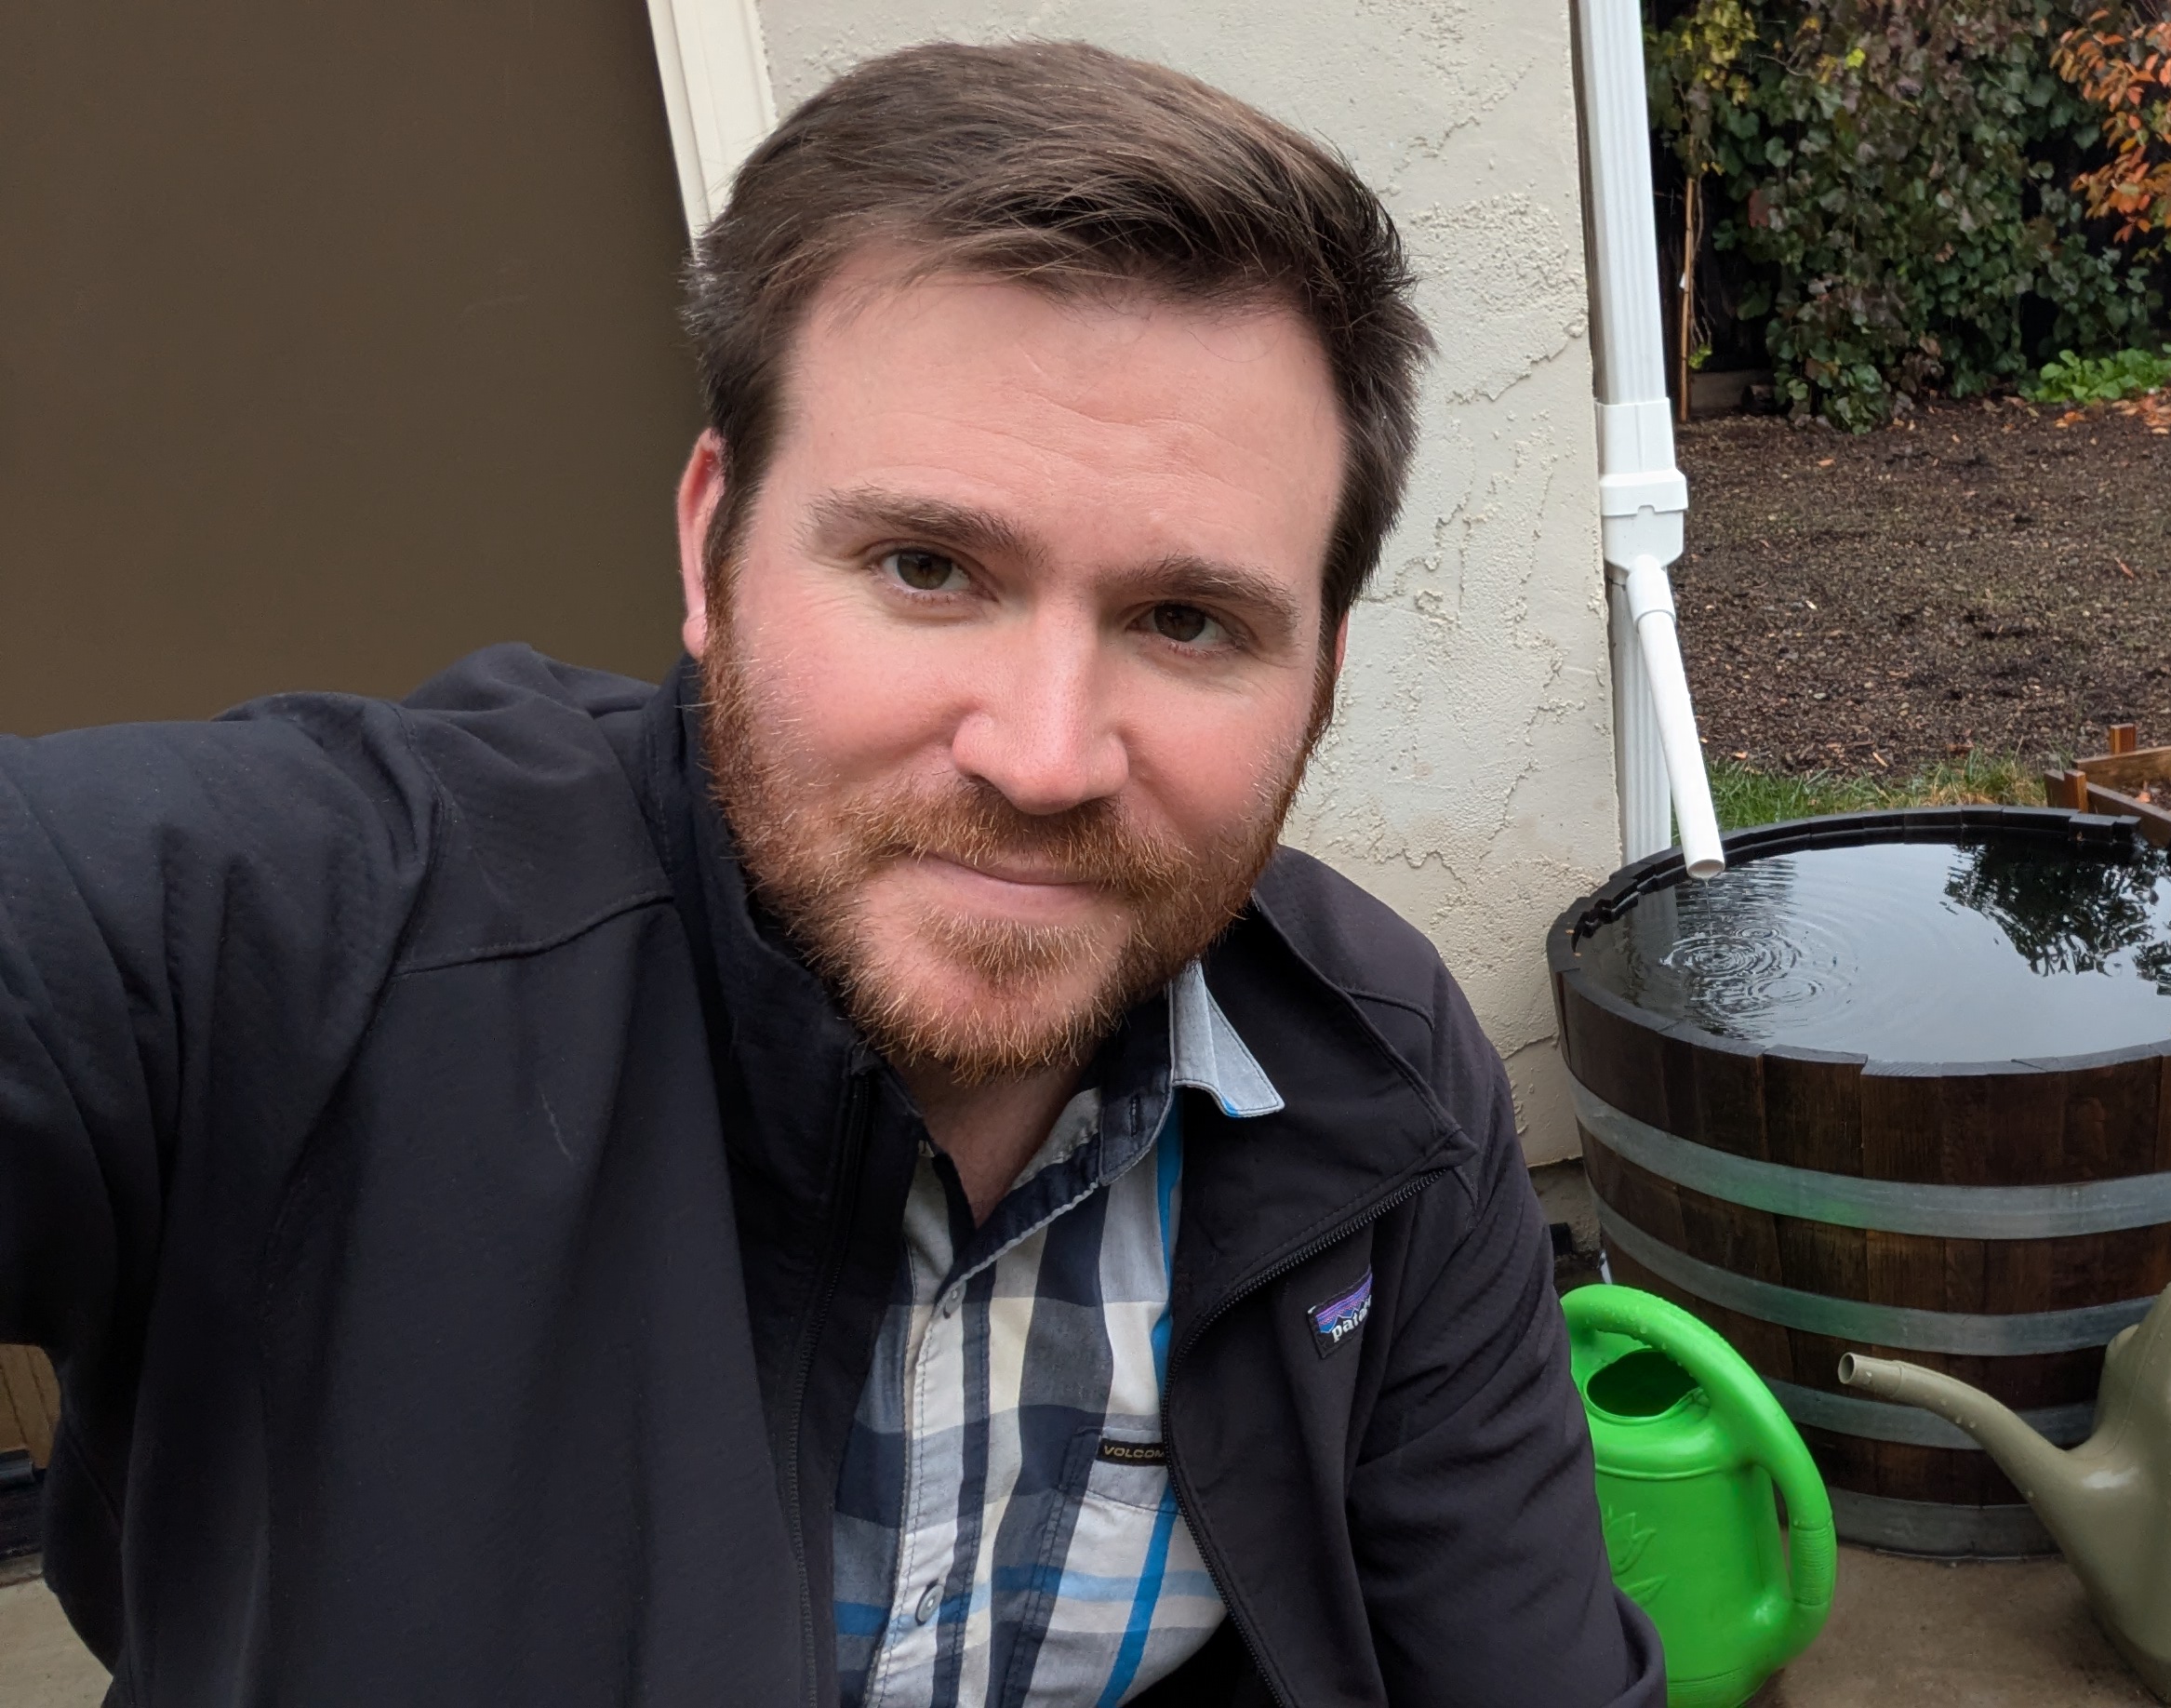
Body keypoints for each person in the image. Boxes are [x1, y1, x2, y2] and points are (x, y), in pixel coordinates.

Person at [0, 40, 1659, 1707]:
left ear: (1322, 672)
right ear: (709, 544)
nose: (1044, 755)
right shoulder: (297, 939)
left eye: (1187, 619)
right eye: (927, 567)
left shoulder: (1378, 1079)